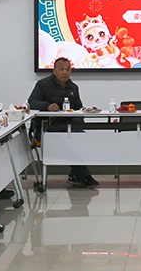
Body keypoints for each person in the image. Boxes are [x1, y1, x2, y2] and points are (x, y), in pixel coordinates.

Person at [28, 57, 98, 187]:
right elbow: (32, 102)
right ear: (54, 70)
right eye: (61, 69)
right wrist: (47, 106)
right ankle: (83, 175)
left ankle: (76, 175)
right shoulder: (42, 84)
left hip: (68, 127)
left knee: (81, 138)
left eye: (68, 69)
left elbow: (78, 109)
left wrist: (77, 122)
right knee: (68, 140)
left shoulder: (73, 87)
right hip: (46, 128)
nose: (65, 72)